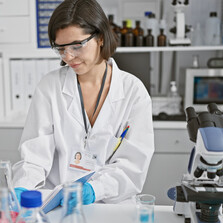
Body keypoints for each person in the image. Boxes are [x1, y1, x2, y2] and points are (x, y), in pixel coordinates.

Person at [13, 0, 154, 205]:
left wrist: (94, 190)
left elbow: (133, 166)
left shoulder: (133, 92)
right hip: (57, 204)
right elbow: (34, 155)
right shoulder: (49, 87)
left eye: (76, 46)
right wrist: (23, 186)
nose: (68, 56)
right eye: (60, 48)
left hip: (111, 205)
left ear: (101, 38)